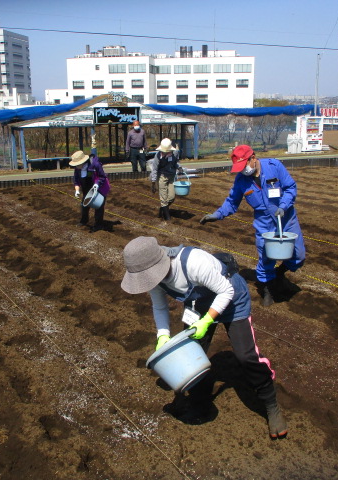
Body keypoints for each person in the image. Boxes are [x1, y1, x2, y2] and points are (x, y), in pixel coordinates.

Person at [121, 236, 288, 439]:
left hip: (232, 299)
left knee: (246, 357)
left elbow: (226, 290)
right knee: (190, 356)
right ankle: (199, 401)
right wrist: (162, 336)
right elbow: (159, 306)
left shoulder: (193, 263)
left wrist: (208, 320)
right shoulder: (153, 278)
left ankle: (271, 405)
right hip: (198, 305)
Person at [200, 145, 305, 307]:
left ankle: (280, 273)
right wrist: (217, 215)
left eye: (244, 166)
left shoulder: (274, 167)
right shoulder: (241, 180)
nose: (243, 170)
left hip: (286, 217)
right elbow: (232, 202)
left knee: (298, 255)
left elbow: (290, 187)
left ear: (253, 158)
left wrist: (283, 206)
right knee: (266, 256)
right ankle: (267, 290)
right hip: (264, 221)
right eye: (239, 168)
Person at [70, 141, 110, 232]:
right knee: (84, 205)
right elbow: (76, 180)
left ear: (82, 162)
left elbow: (102, 176)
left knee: (98, 206)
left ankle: (99, 224)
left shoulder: (94, 164)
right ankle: (84, 221)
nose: (76, 167)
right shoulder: (77, 169)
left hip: (99, 187)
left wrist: (96, 184)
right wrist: (77, 190)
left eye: (77, 164)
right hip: (87, 187)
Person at [149, 138, 182, 221]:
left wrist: (179, 167)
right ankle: (168, 218)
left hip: (171, 176)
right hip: (162, 176)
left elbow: (176, 163)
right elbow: (155, 169)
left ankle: (163, 208)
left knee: (171, 197)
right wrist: (153, 183)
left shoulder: (175, 153)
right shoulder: (158, 156)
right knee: (163, 198)